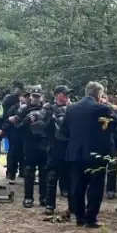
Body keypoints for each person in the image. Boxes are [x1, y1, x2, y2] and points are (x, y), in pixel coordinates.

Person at [60, 81, 117, 228]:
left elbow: (63, 131)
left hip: (76, 153)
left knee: (77, 186)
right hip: (96, 154)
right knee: (95, 187)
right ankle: (90, 219)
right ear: (99, 94)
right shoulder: (102, 108)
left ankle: (79, 218)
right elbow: (116, 120)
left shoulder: (71, 108)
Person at [13, 86, 50, 208]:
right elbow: (16, 127)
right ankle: (28, 197)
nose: (35, 99)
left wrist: (43, 123)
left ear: (42, 97)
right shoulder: (23, 109)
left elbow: (53, 125)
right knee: (28, 171)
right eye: (34, 96)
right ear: (30, 97)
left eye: (38, 97)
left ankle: (44, 197)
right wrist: (26, 121)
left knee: (44, 171)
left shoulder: (47, 109)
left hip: (43, 143)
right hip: (29, 143)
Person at [44, 85, 71, 216]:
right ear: (58, 95)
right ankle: (49, 205)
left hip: (68, 147)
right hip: (54, 147)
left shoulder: (71, 108)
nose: (67, 97)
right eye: (64, 94)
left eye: (67, 95)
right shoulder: (48, 108)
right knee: (52, 177)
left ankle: (73, 207)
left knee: (70, 178)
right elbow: (44, 128)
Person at [2, 81, 26, 184]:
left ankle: (23, 172)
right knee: (13, 153)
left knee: (24, 153)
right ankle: (10, 173)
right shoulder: (9, 100)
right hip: (13, 131)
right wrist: (5, 129)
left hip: (24, 133)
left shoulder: (28, 105)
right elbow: (6, 116)